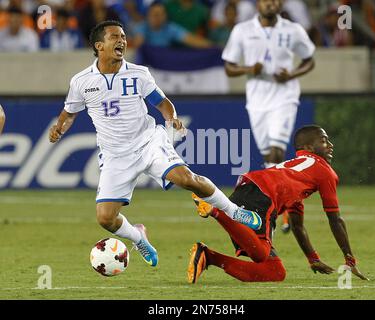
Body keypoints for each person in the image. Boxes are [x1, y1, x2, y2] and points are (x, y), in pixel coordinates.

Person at [48, 20, 262, 268]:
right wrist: (59, 128)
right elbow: (70, 112)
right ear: (99, 46)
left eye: (124, 36)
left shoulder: (138, 73)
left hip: (148, 141)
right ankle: (139, 237)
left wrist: (171, 118)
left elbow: (162, 103)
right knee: (106, 218)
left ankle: (234, 210)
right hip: (115, 155)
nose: (122, 41)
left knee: (185, 178)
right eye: (115, 37)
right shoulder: (81, 81)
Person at [188, 125, 369, 283]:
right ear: (308, 147)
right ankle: (216, 210)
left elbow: (297, 226)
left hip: (249, 192)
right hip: (263, 198)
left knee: (274, 271)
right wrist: (349, 260)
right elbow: (335, 219)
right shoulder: (324, 170)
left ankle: (208, 257)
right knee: (260, 254)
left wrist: (313, 258)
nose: (330, 145)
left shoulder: (295, 174)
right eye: (323, 140)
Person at [221, 0, 315, 233]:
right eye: (265, 0)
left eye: (274, 0)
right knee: (268, 158)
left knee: (276, 152)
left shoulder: (292, 30)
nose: (270, 3)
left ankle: (271, 213)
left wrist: (292, 74)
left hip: (284, 97)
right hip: (257, 101)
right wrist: (248, 69)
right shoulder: (242, 31)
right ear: (258, 4)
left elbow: (309, 60)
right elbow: (229, 67)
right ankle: (286, 205)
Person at [132, 1, 212, 49]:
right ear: (148, 15)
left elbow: (191, 40)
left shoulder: (170, 28)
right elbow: (138, 43)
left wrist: (214, 46)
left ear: (166, 16)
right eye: (155, 14)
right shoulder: (141, 27)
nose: (158, 18)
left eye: (161, 14)